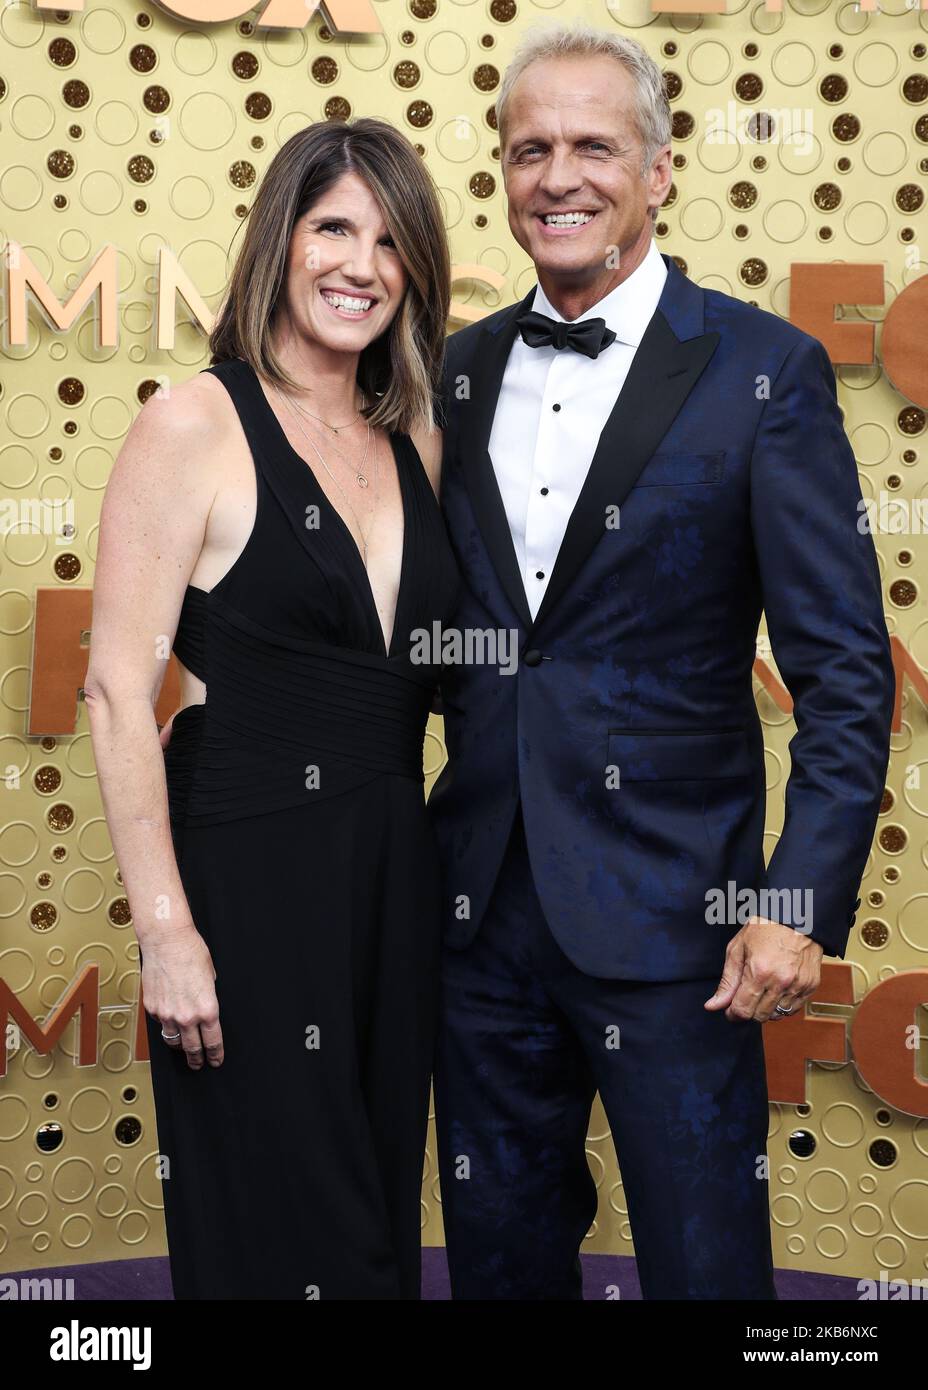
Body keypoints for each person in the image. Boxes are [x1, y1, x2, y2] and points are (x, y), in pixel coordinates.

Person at [429, 23, 895, 1300]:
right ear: (503, 172)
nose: (558, 177)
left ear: (659, 168)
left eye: (593, 145)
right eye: (530, 149)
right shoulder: (453, 375)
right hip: (478, 916)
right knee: (498, 1268)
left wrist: (792, 902)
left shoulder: (762, 370)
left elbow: (847, 670)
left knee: (705, 1272)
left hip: (685, 931)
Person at [86, 118, 459, 1299]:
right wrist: (165, 932)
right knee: (278, 1226)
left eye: (391, 242)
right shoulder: (193, 422)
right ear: (279, 245)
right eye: (334, 228)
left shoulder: (417, 440)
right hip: (246, 880)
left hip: (393, 877)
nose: (361, 264)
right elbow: (112, 689)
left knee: (372, 1224)